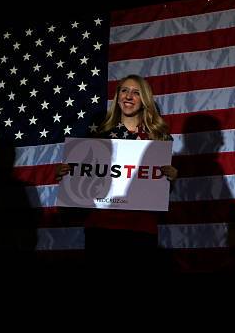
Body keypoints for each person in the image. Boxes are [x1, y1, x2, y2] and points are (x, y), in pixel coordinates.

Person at [56, 74, 177, 271]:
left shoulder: (159, 138)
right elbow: (83, 183)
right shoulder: (98, 137)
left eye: (136, 93)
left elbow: (160, 190)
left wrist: (171, 177)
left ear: (144, 99)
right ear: (118, 96)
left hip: (141, 229)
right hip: (101, 228)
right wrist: (66, 174)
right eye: (124, 91)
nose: (129, 96)